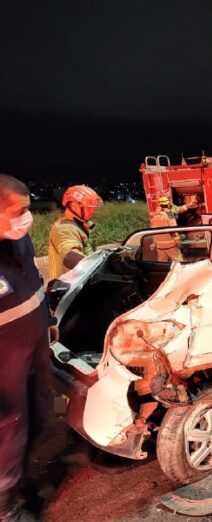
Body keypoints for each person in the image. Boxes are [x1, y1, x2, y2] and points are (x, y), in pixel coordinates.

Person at [0, 174, 53, 521]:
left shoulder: (18, 241)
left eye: (27, 209)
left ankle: (18, 483)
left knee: (36, 415)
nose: (26, 217)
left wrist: (47, 323)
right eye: (18, 211)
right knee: (7, 429)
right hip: (4, 368)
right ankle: (6, 509)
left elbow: (30, 288)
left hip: (31, 353)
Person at [48, 185, 103, 280]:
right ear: (75, 206)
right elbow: (69, 256)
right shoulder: (63, 228)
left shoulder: (81, 225)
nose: (93, 211)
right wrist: (99, 268)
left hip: (81, 280)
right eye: (89, 208)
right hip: (68, 287)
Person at [151, 196, 187, 262]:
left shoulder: (154, 216)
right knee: (179, 264)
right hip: (171, 246)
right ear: (168, 204)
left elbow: (153, 232)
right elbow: (173, 230)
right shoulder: (169, 214)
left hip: (159, 247)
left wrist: (154, 243)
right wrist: (178, 242)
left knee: (162, 265)